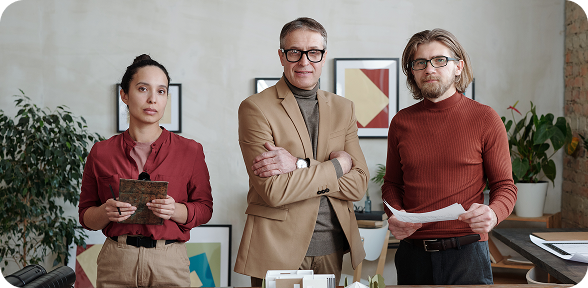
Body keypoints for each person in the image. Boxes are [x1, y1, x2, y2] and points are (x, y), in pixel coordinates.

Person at [234, 17, 369, 286]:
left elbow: (359, 185)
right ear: (281, 56)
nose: (304, 62)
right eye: (294, 52)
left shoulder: (344, 108)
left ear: (324, 56)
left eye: (313, 53)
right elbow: (274, 191)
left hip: (332, 245)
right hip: (277, 248)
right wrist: (338, 166)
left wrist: (299, 164)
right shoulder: (256, 108)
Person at [381, 28, 517, 285]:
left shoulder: (485, 118)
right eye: (420, 63)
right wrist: (395, 215)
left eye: (439, 60)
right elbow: (392, 185)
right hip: (413, 257)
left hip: (468, 256)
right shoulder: (401, 122)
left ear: (458, 67)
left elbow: (505, 187)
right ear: (412, 71)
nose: (429, 69)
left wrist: (493, 213)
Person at [78, 54, 213, 288]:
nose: (152, 99)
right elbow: (86, 216)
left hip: (170, 262)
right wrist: (105, 212)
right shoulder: (101, 152)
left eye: (161, 92)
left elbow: (205, 209)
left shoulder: (191, 151)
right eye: (143, 89)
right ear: (124, 95)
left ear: (166, 98)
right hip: (116, 261)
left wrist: (176, 210)